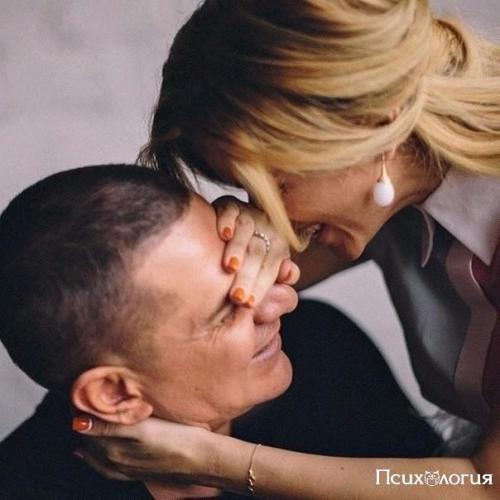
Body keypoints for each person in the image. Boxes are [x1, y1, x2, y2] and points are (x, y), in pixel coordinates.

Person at [73, 1, 500, 498]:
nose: (268, 211)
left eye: (275, 183)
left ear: (372, 121)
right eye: (245, 189)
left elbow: (487, 484)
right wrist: (237, 237)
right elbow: (214, 303)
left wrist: (213, 461)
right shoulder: (391, 195)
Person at [0, 164, 437, 499]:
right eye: (227, 312)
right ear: (114, 394)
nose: (283, 301)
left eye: (250, 266)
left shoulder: (321, 349)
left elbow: (456, 485)